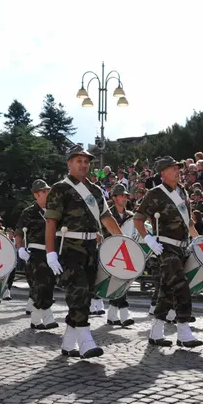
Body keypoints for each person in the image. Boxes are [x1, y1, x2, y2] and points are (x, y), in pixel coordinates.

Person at [45, 144, 122, 358]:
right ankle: (86, 341)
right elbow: (51, 222)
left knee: (85, 296)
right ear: (69, 163)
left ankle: (69, 343)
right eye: (78, 160)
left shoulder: (96, 191)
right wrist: (50, 252)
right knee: (78, 292)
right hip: (68, 248)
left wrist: (122, 242)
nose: (83, 164)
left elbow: (107, 218)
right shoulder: (60, 188)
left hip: (90, 249)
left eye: (87, 161)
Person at [136, 156, 202, 348]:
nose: (177, 171)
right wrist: (148, 239)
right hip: (165, 247)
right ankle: (183, 331)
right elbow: (138, 219)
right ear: (163, 173)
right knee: (181, 285)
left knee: (166, 289)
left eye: (178, 167)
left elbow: (188, 221)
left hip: (182, 246)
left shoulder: (182, 191)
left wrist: (197, 239)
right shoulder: (154, 194)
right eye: (173, 168)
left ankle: (156, 331)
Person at [16, 179, 59, 331]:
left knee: (49, 284)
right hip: (37, 252)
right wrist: (20, 248)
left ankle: (35, 319)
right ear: (36, 195)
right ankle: (47, 317)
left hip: (52, 252)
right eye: (44, 192)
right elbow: (19, 232)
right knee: (41, 284)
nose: (48, 194)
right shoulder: (28, 212)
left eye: (48, 191)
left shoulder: (55, 211)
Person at [102, 183, 136, 327]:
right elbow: (103, 233)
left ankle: (112, 314)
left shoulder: (130, 216)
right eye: (121, 195)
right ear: (114, 198)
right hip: (112, 252)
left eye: (125, 196)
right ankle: (124, 312)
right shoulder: (107, 214)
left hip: (127, 252)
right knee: (120, 281)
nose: (124, 198)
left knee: (123, 282)